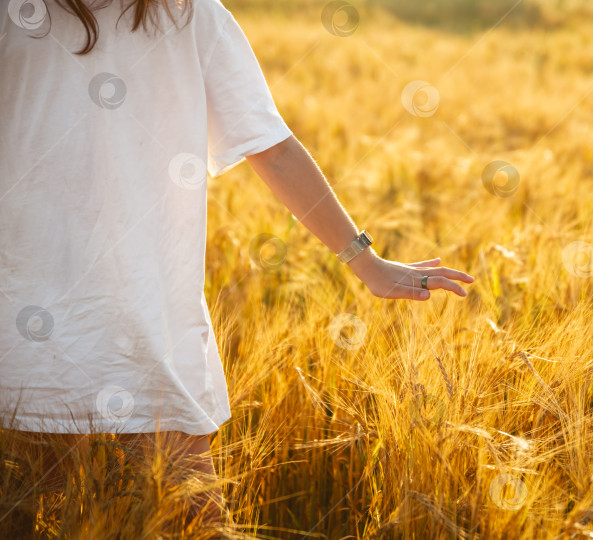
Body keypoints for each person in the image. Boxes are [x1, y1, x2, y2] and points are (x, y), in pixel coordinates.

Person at [0, 0, 475, 532]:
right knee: (32, 513)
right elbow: (271, 150)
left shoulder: (188, 14)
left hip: (132, 312)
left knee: (187, 516)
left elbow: (271, 148)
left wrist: (368, 264)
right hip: (31, 312)